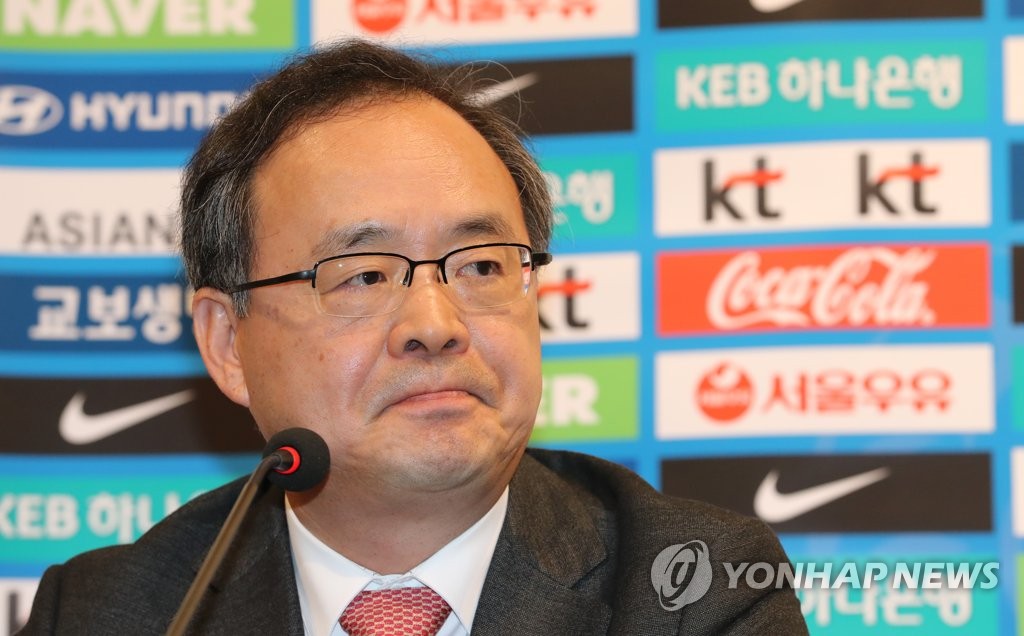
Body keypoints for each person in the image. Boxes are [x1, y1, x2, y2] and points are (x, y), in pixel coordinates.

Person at [19, 40, 807, 635]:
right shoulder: (105, 613)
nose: (435, 326)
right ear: (228, 342)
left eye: (482, 265)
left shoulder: (692, 592)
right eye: (363, 275)